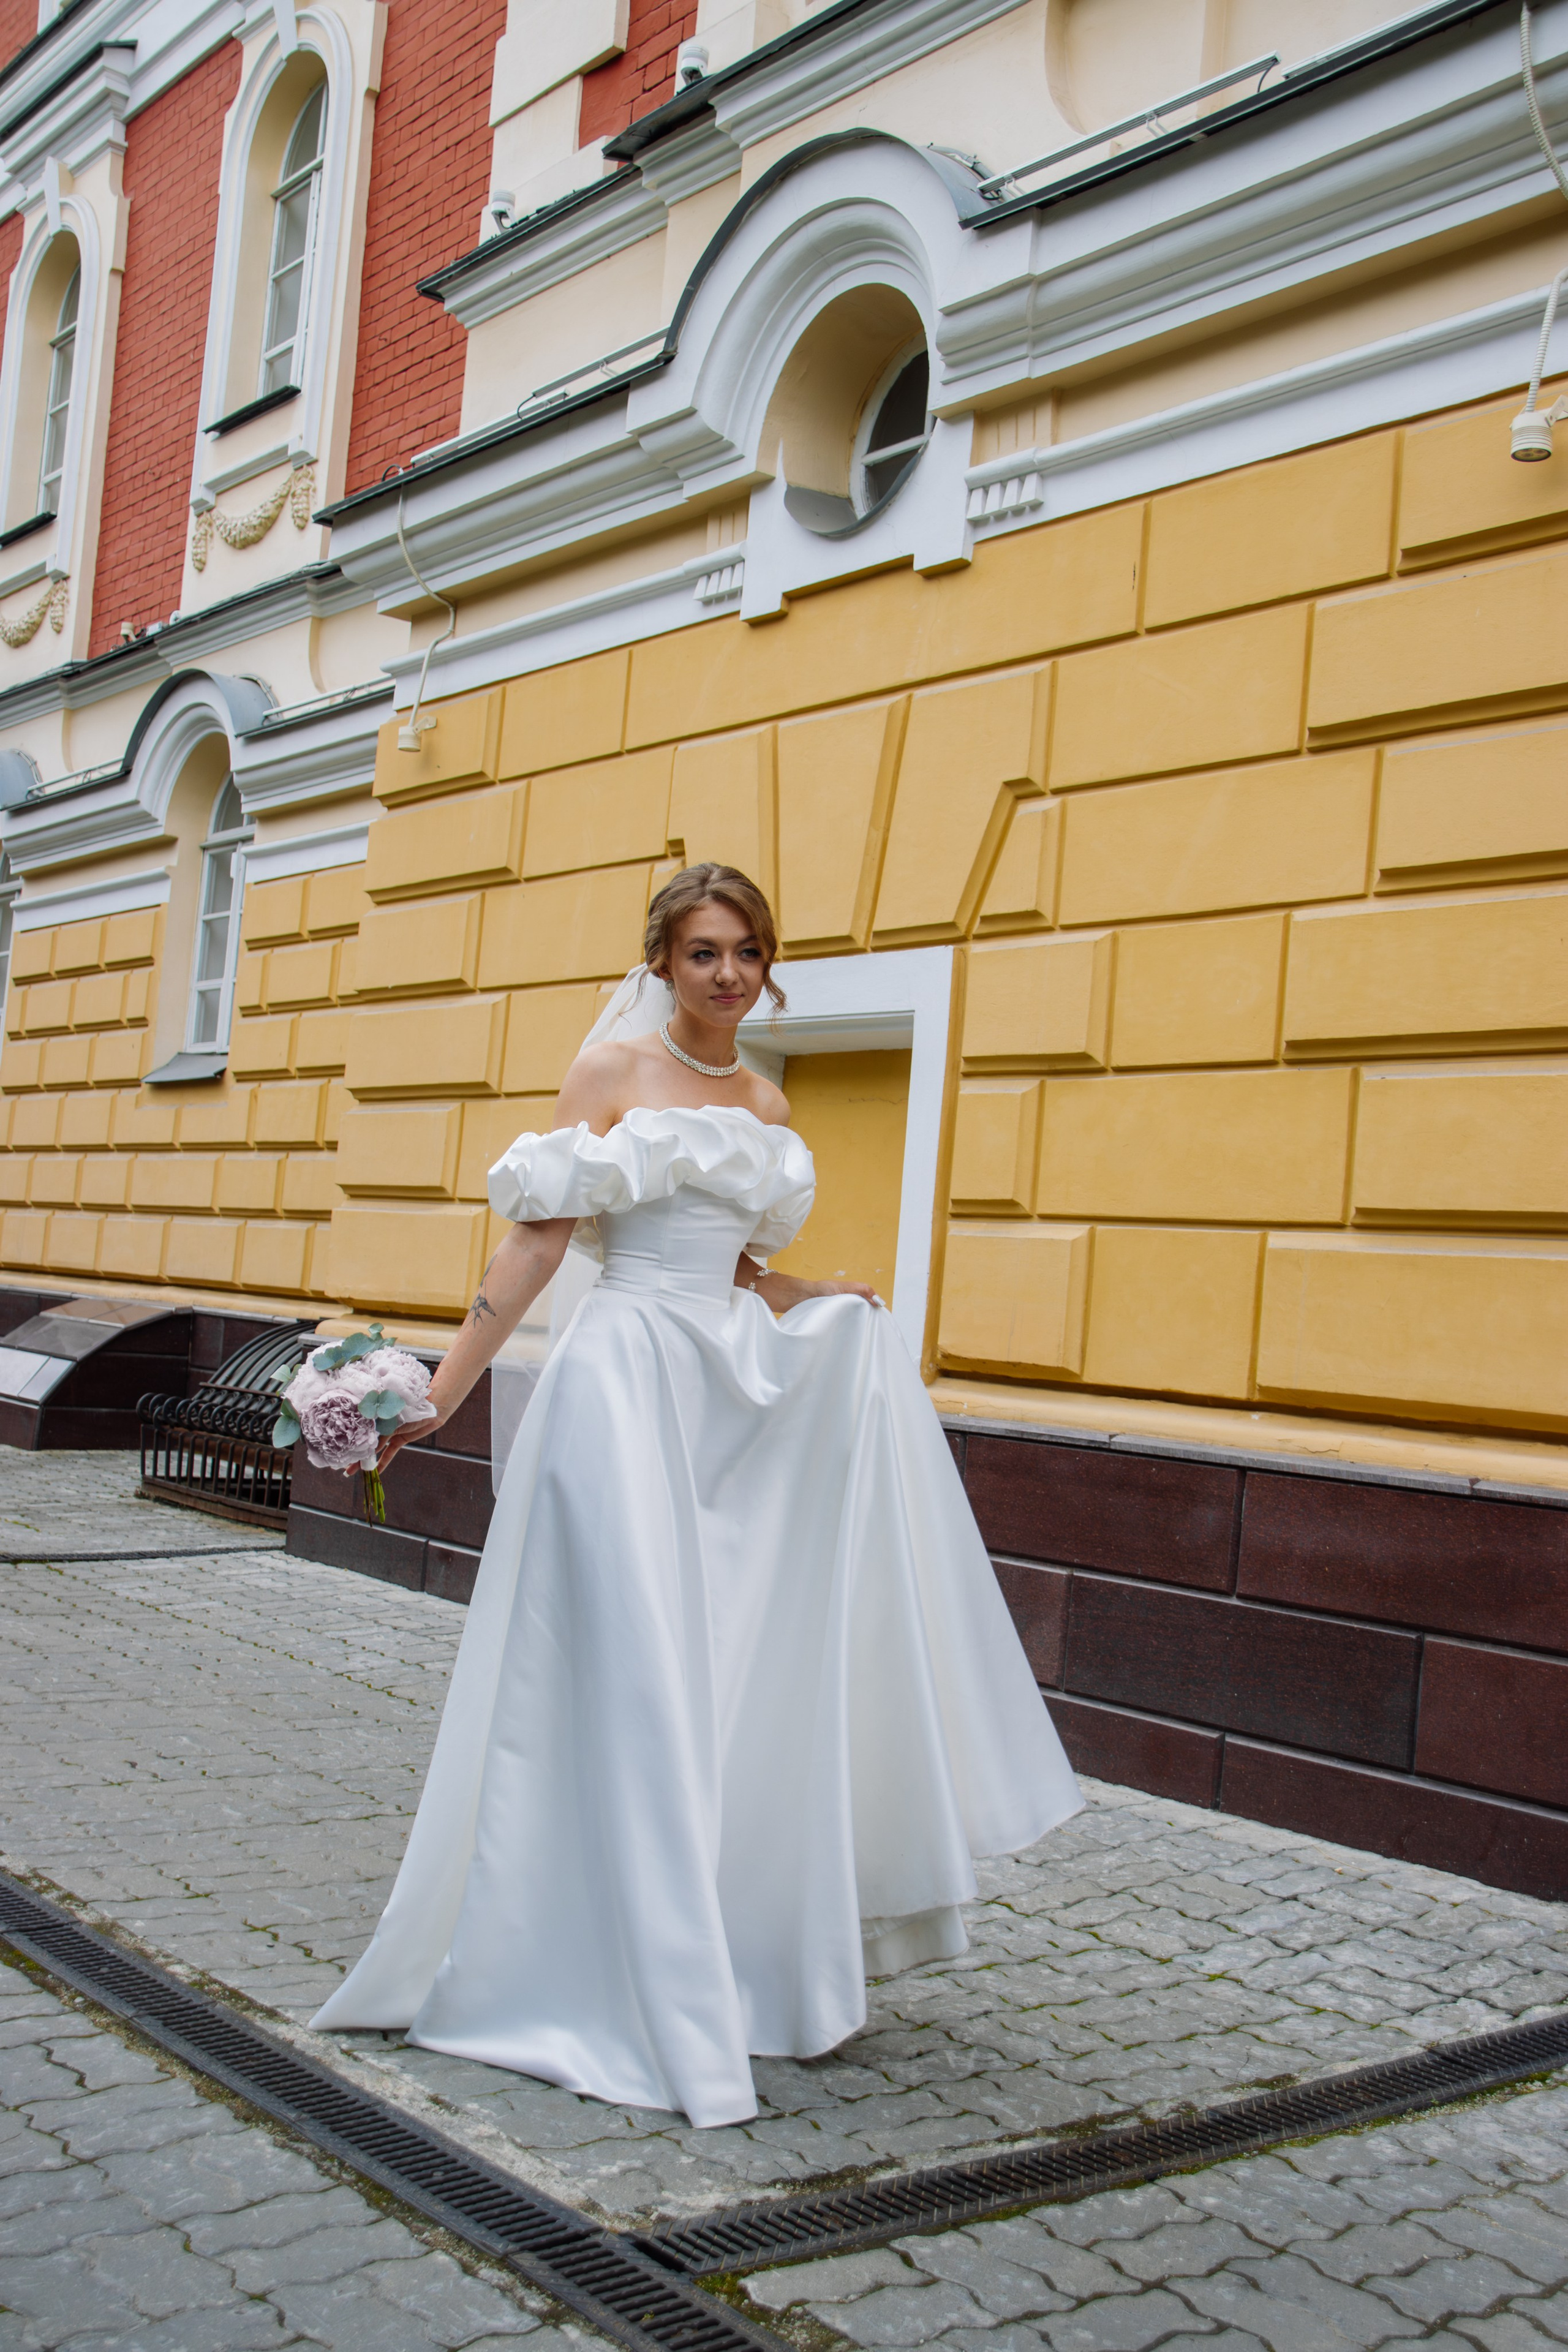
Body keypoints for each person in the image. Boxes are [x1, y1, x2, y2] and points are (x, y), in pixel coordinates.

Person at [311, 864, 1082, 2127]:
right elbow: (539, 1240)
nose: (726, 974)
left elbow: (737, 1267)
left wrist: (814, 1301)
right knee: (625, 1673)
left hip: (721, 1391)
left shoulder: (768, 1101)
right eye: (702, 953)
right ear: (661, 965)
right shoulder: (610, 1076)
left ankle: (710, 1954)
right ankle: (590, 1966)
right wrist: (440, 1392)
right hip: (617, 1392)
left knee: (716, 1674)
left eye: (745, 953)